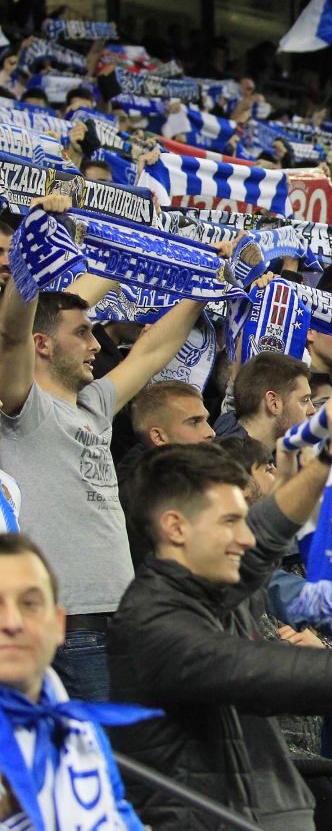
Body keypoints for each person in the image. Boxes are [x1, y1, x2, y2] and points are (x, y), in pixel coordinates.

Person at [108, 391, 332, 830]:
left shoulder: (205, 592)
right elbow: (256, 671)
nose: (244, 538)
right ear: (175, 527)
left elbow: (266, 532)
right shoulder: (151, 622)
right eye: (229, 523)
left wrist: (327, 459)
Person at [0, 195, 208, 700]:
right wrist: (28, 264)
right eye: (83, 332)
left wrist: (206, 283)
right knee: (97, 765)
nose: (96, 344)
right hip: (66, 625)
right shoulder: (20, 404)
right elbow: (9, 336)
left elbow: (155, 350)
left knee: (123, 764)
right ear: (43, 344)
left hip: (116, 616)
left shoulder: (93, 403)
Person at [0, 534, 145, 828]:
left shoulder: (80, 729)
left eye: (30, 604)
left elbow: (120, 815)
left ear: (58, 624)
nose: (12, 622)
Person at [213, 352, 316, 446]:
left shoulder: (279, 455)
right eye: (305, 400)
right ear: (273, 403)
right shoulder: (226, 463)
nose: (313, 411)